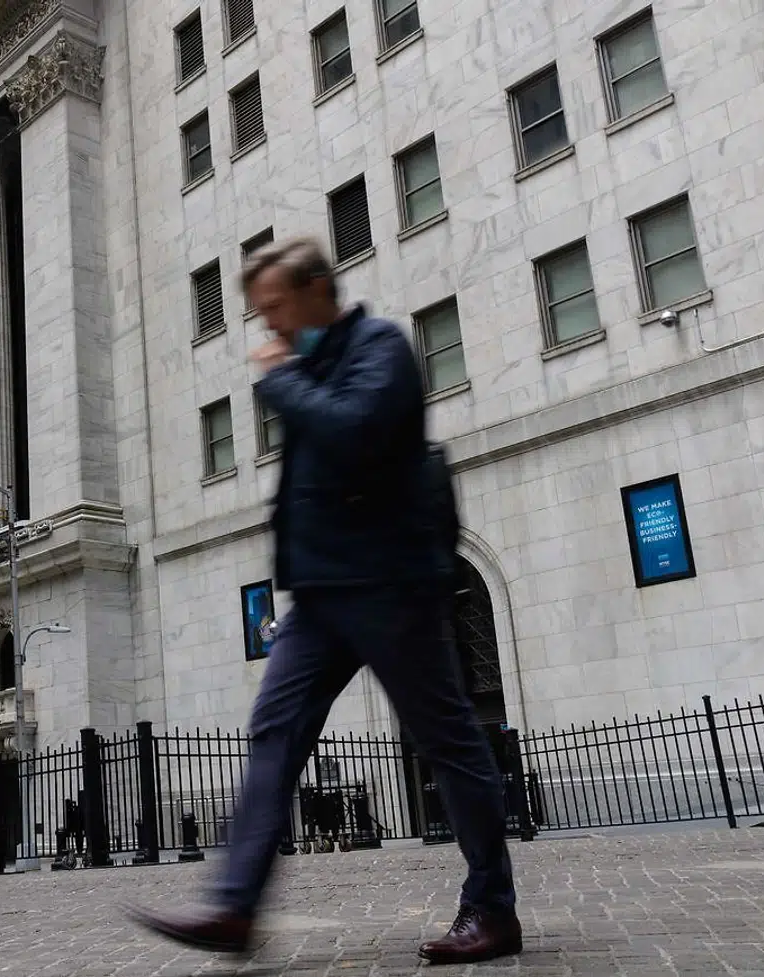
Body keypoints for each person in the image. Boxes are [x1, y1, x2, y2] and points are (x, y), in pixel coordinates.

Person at [128, 237, 522, 966]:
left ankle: (492, 909)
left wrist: (281, 383)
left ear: (316, 291)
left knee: (448, 743)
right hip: (321, 595)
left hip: (389, 583)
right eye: (260, 314)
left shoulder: (379, 347)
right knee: (273, 732)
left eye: (274, 308)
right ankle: (235, 907)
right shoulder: (313, 365)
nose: (268, 328)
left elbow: (356, 434)